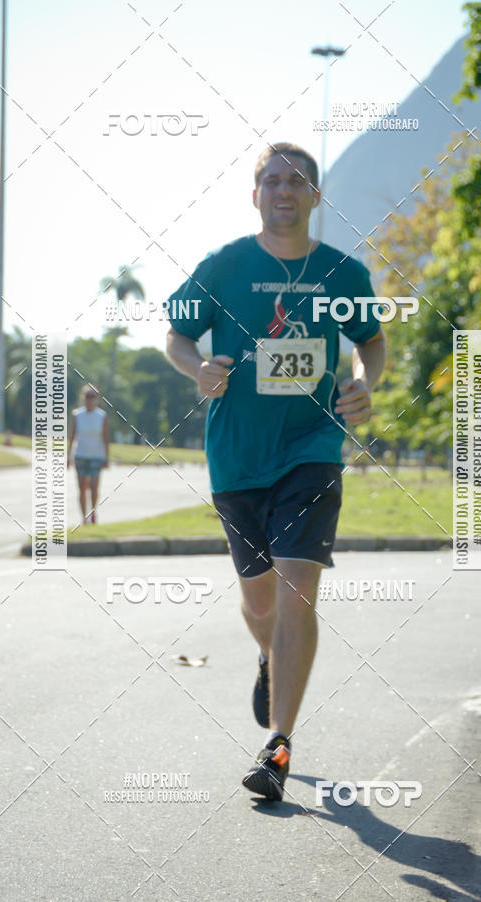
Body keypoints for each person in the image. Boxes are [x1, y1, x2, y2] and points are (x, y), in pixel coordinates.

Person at [165, 142, 386, 801]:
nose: (283, 190)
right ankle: (269, 656)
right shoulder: (224, 266)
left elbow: (371, 341)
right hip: (237, 456)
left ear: (315, 196)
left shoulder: (343, 273)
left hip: (312, 447)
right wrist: (197, 368)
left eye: (296, 181)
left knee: (295, 592)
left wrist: (364, 382)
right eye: (271, 180)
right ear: (254, 193)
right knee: (259, 601)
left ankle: (278, 744)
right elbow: (177, 335)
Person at [67, 385, 109, 525]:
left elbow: (105, 438)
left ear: (97, 399)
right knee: (82, 488)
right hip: (81, 455)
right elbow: (72, 436)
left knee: (94, 486)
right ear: (83, 398)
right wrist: (68, 456)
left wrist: (106, 457)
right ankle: (84, 517)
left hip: (96, 455)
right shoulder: (77, 415)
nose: (90, 400)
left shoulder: (102, 416)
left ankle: (93, 512)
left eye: (92, 396)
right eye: (87, 396)